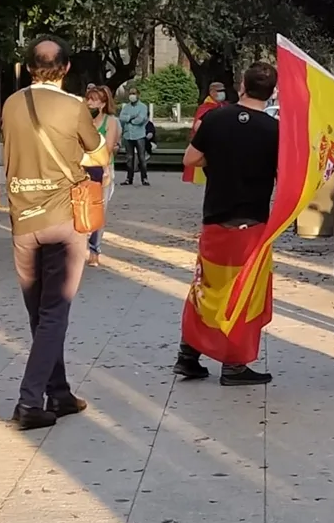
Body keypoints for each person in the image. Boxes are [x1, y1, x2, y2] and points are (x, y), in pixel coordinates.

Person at [2, 35, 109, 430]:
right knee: (55, 312)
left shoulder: (11, 104)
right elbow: (98, 150)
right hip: (63, 218)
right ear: (65, 68)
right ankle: (30, 401)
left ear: (28, 68)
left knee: (39, 313)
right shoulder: (73, 105)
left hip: (21, 219)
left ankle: (59, 392)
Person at [174, 63, 279, 386]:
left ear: (241, 85)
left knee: (205, 288)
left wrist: (217, 159)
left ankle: (188, 355)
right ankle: (234, 365)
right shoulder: (275, 131)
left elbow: (190, 159)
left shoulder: (215, 118)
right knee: (244, 292)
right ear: (272, 92)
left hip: (216, 218)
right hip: (252, 223)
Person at [84, 85, 121, 267]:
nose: (89, 102)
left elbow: (108, 147)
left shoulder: (111, 121)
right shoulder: (82, 120)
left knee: (98, 212)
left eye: (93, 99)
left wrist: (106, 171)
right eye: (88, 98)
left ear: (102, 103)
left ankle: (94, 250)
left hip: (102, 169)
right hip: (82, 168)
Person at [182, 82, 226, 184]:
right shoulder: (206, 107)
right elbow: (198, 126)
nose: (222, 93)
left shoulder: (222, 105)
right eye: (219, 91)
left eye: (222, 91)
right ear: (211, 92)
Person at [119, 86, 149, 186]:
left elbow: (140, 120)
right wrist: (131, 117)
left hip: (139, 135)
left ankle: (144, 178)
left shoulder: (143, 107)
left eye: (134, 93)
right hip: (128, 135)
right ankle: (129, 178)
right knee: (129, 157)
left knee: (141, 157)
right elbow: (121, 118)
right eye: (130, 93)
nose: (132, 95)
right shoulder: (126, 107)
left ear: (138, 95)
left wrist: (130, 120)